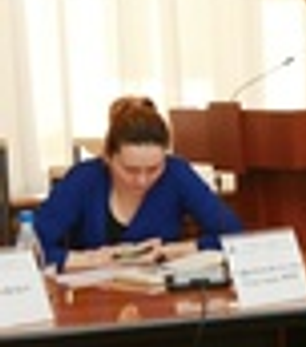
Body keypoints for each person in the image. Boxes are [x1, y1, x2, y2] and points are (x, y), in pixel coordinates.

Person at [34, 95, 243, 272]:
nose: (142, 180)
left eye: (153, 169)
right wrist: (93, 260)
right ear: (108, 157)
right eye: (130, 170)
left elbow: (234, 237)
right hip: (93, 298)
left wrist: (168, 252)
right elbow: (32, 250)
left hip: (159, 299)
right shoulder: (84, 179)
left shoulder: (176, 173)